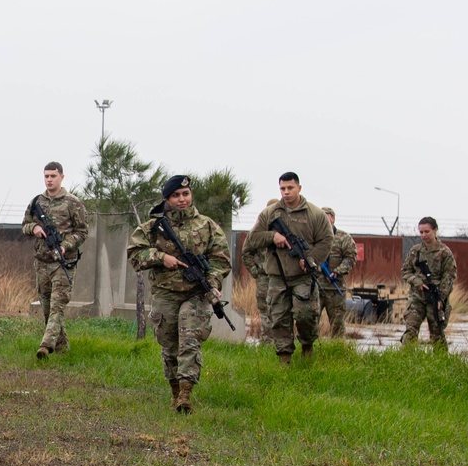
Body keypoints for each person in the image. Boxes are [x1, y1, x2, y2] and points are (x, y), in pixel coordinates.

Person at [127, 175, 231, 413]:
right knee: (169, 344)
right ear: (167, 199)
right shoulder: (152, 228)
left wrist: (212, 280)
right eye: (176, 195)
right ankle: (174, 391)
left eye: (185, 194)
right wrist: (162, 258)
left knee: (189, 341)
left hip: (196, 294)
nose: (182, 199)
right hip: (166, 294)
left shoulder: (207, 225)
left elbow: (221, 259)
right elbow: (135, 254)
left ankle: (185, 394)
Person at [244, 172, 333, 364]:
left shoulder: (315, 214)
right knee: (279, 318)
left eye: (290, 188)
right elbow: (253, 238)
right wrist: (272, 237)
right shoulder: (270, 214)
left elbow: (326, 240)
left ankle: (307, 347)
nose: (286, 192)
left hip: (303, 276)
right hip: (277, 276)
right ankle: (284, 360)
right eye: (282, 189)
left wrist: (311, 259)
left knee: (306, 314)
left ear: (299, 188)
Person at [21, 161, 89, 359]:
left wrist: (65, 245)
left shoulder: (73, 203)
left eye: (53, 176)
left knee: (58, 305)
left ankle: (46, 345)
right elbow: (24, 224)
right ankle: (62, 348)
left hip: (63, 262)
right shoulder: (37, 202)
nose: (49, 180)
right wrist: (34, 228)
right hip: (42, 261)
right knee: (46, 306)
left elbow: (82, 232)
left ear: (62, 177)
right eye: (46, 176)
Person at [401, 217, 456, 347]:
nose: (424, 235)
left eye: (427, 231)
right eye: (421, 232)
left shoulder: (444, 252)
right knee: (410, 331)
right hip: (417, 297)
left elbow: (449, 277)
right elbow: (406, 271)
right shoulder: (415, 251)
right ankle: (405, 360)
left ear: (435, 230)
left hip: (435, 297)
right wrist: (416, 281)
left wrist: (440, 299)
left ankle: (441, 362)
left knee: (437, 333)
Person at [241, 198, 278, 344]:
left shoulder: (286, 231)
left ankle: (281, 342)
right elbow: (246, 252)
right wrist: (255, 271)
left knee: (281, 310)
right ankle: (267, 342)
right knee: (265, 310)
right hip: (264, 277)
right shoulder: (257, 232)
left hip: (282, 278)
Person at [319, 207, 357, 338]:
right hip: (315, 288)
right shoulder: (313, 237)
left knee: (337, 326)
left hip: (335, 289)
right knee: (309, 324)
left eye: (326, 216)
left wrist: (338, 271)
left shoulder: (343, 238)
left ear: (333, 218)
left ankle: (337, 352)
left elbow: (350, 258)